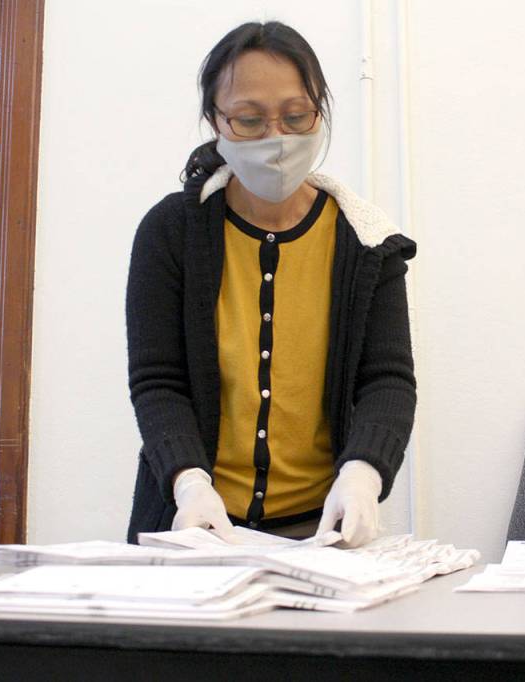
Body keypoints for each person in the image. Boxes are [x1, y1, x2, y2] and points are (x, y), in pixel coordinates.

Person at [125, 21, 416, 547]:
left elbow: (388, 381)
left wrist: (363, 474)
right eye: (249, 120)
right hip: (194, 525)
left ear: (320, 112)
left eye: (295, 115)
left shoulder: (368, 242)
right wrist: (188, 483)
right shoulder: (170, 232)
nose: (276, 138)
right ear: (215, 120)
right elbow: (158, 381)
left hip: (322, 536)